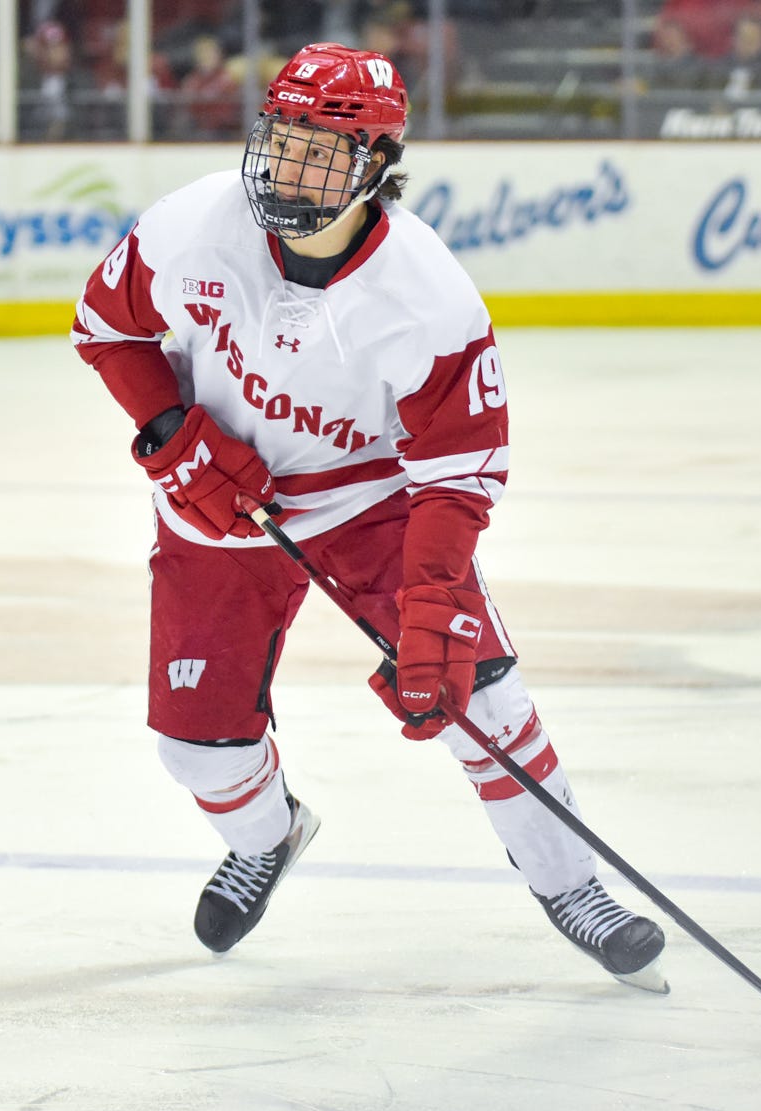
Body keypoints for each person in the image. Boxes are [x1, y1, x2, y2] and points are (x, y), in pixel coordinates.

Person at [70, 43, 667, 991]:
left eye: (325, 151)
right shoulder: (191, 225)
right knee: (191, 746)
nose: (291, 169)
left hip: (372, 504)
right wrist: (175, 432)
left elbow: (456, 476)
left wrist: (430, 609)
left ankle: (573, 889)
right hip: (218, 503)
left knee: (482, 692)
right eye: (284, 141)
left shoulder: (427, 297)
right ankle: (269, 836)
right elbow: (105, 328)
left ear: (379, 166)